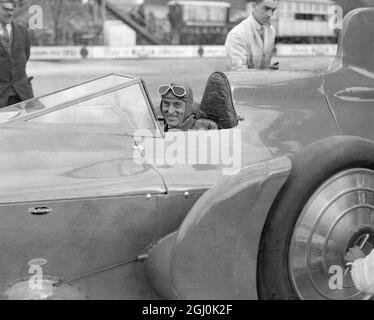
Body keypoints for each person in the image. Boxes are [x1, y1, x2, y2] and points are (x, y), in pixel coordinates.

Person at [225, 0, 279, 70]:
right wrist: (263, 73)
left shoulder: (271, 31)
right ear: (254, 5)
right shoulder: (237, 34)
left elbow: (262, 64)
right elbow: (238, 72)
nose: (270, 14)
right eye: (266, 8)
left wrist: (268, 69)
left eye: (273, 10)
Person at [0, 0, 34, 109]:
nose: (10, 13)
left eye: (11, 9)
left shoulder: (22, 31)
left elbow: (26, 55)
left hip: (23, 94)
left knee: (29, 125)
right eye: (5, 9)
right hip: (1, 96)